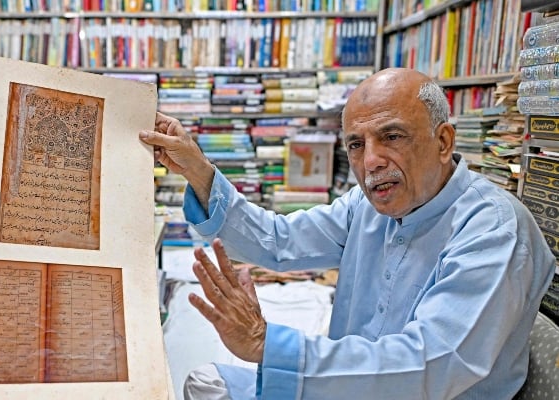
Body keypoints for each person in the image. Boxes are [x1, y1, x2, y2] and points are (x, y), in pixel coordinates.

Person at [139, 68, 555, 400]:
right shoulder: (368, 205)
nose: (370, 161)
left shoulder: (493, 229)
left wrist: (268, 344)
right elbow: (280, 240)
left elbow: (430, 365)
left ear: (443, 141)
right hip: (351, 384)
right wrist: (196, 169)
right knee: (206, 382)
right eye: (356, 144)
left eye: (391, 136)